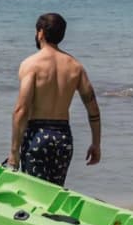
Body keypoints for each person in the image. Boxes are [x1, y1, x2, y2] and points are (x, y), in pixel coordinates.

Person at [8, 13, 101, 186]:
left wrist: (14, 153)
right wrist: (96, 144)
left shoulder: (31, 64)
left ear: (41, 33)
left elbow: (21, 110)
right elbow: (93, 109)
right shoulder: (75, 67)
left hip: (37, 135)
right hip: (63, 137)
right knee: (55, 192)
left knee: (33, 192)